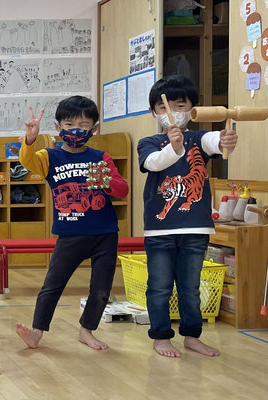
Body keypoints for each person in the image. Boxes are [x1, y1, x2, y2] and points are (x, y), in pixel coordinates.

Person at [15, 96, 129, 350]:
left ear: (94, 128)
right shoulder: (49, 156)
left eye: (83, 124)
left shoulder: (101, 157)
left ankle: (86, 331)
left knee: (101, 289)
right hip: (70, 234)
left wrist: (105, 181)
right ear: (58, 127)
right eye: (69, 124)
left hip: (105, 233)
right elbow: (27, 162)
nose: (76, 130)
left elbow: (123, 190)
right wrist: (29, 140)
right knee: (52, 286)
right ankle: (36, 333)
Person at [138, 75, 236, 358]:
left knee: (190, 287)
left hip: (196, 227)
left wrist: (225, 139)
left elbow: (214, 141)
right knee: (159, 287)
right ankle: (160, 337)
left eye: (181, 105)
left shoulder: (197, 138)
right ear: (154, 112)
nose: (172, 112)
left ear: (193, 108)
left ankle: (192, 336)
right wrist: (174, 147)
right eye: (164, 107)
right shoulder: (149, 142)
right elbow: (153, 163)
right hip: (159, 230)